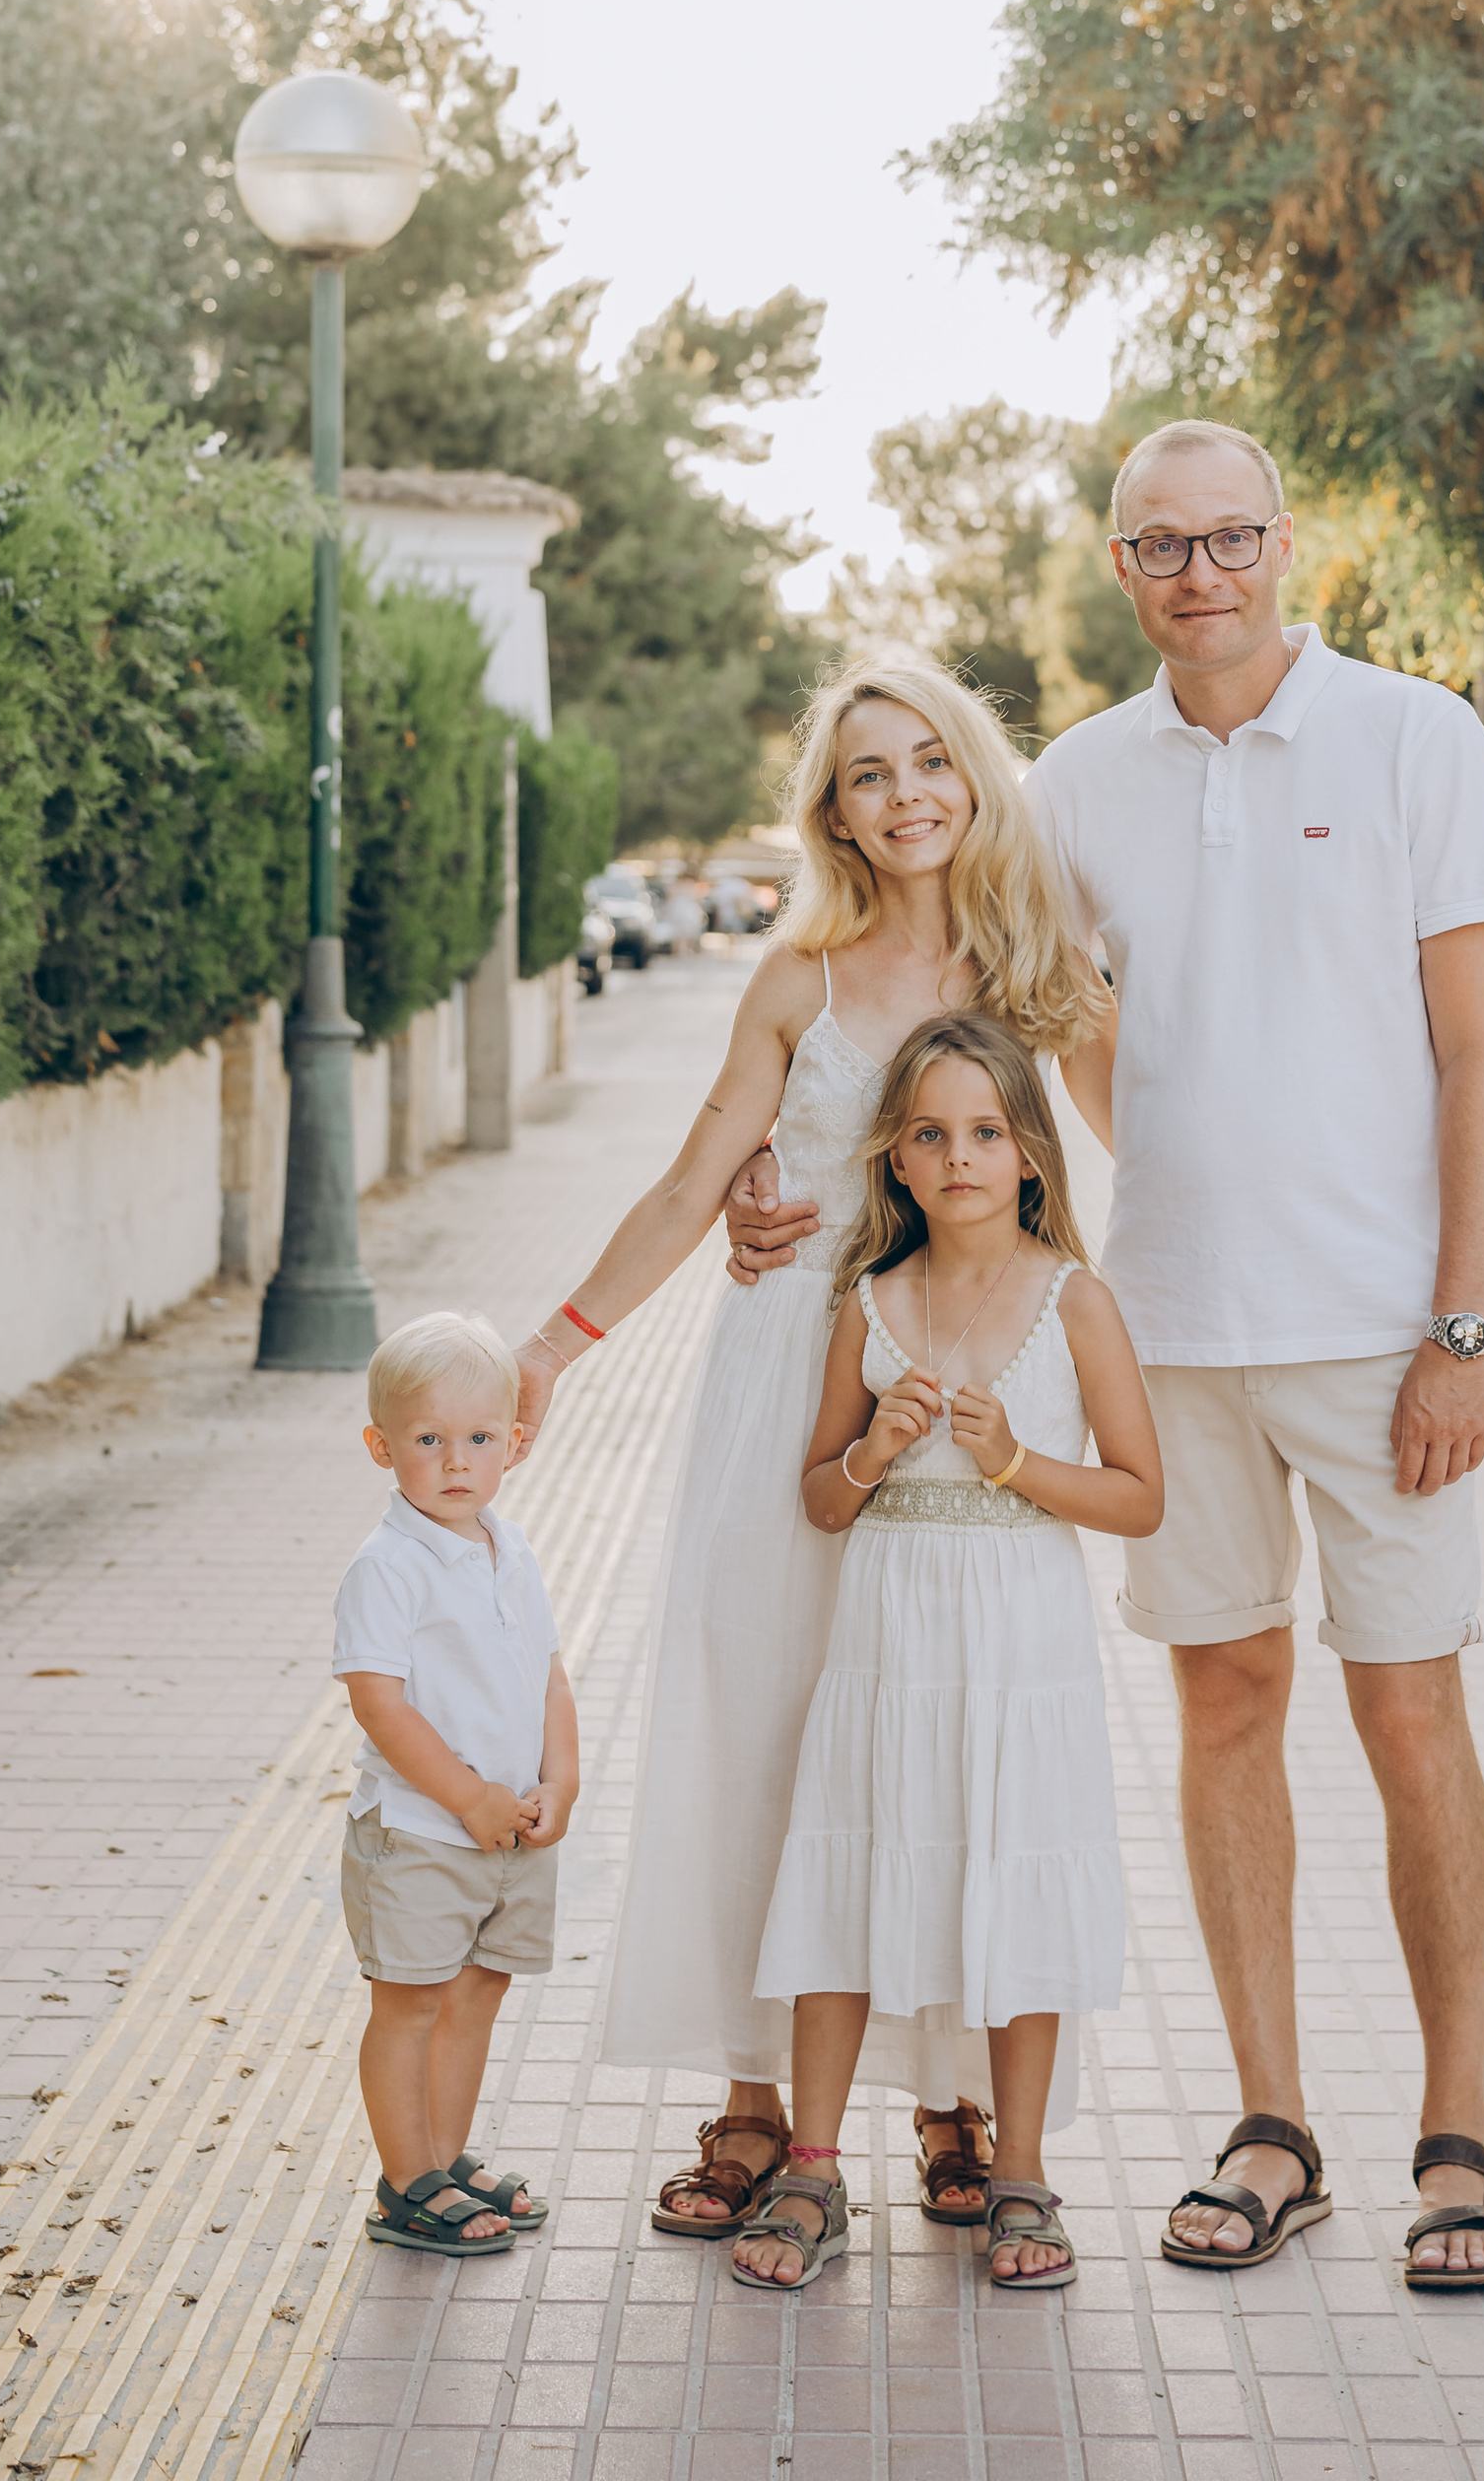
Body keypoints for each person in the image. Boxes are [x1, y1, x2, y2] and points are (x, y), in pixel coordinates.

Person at [726, 421, 1484, 2291]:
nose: (1202, 574)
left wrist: (1463, 1326)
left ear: (1284, 538)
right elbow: (968, 995)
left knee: (1412, 1716)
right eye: (1161, 547)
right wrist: (778, 1173)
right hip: (1164, 1336)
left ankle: (1461, 2144)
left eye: (1231, 536)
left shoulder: (1417, 741)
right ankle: (1273, 2130)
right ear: (1119, 567)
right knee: (1227, 1708)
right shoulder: (1078, 780)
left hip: (1383, 1334)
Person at [509, 655, 1113, 2245]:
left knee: (944, 1725)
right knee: (768, 1721)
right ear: (830, 809)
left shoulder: (1034, 958)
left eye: (932, 761)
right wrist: (554, 1345)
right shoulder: (797, 975)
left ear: (974, 777)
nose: (906, 793)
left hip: (962, 1374)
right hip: (790, 1375)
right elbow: (702, 1171)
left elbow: (1121, 1140)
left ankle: (954, 2096)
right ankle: (759, 2092)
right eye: (867, 774)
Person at [730, 1013, 1163, 2296]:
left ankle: (1019, 2167)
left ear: (1031, 1152)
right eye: (931, 1134)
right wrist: (875, 1450)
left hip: (1017, 1642)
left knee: (1014, 1872)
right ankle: (814, 2163)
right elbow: (819, 1494)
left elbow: (1141, 1497)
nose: (960, 1155)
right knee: (850, 1867)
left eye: (985, 1131)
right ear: (898, 1162)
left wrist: (1017, 1461)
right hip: (888, 1632)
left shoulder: (1076, 1301)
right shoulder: (869, 1300)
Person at [332, 1310, 577, 2255]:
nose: (456, 1460)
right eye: (427, 1440)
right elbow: (380, 1706)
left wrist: (565, 1780)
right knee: (412, 2001)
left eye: (478, 1438)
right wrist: (468, 1795)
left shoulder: (509, 1551)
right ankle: (406, 2182)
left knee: (477, 1992)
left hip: (510, 1827)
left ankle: (443, 2153)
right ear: (381, 1446)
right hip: (422, 1832)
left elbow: (548, 1673)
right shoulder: (386, 1567)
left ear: (513, 1443)